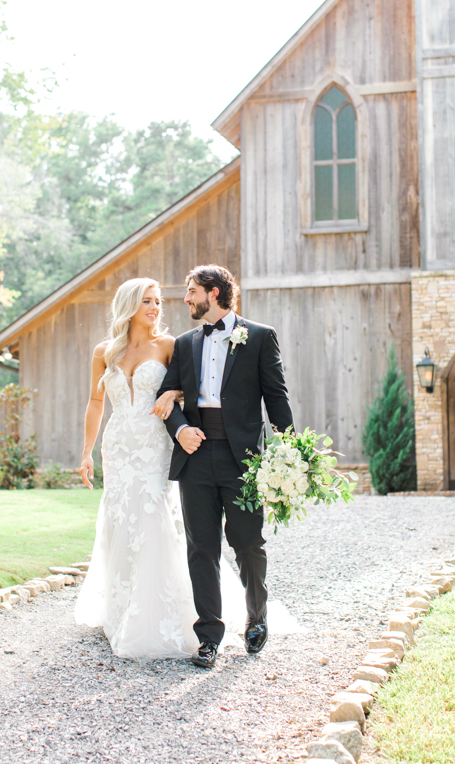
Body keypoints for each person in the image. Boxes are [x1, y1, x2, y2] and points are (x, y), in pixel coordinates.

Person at [75, 277, 245, 660]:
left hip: (154, 446)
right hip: (118, 447)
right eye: (147, 301)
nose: (155, 308)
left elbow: (194, 387)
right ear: (129, 305)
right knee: (121, 519)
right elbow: (94, 402)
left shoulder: (170, 345)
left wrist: (172, 392)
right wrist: (87, 452)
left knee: (153, 517)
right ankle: (122, 609)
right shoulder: (104, 351)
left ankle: (164, 614)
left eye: (158, 302)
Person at [153, 264, 294, 669]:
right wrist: (180, 430)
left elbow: (277, 398)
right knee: (201, 549)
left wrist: (290, 450)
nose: (186, 299)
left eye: (191, 290)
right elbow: (166, 396)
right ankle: (209, 636)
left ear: (213, 293)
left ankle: (256, 618)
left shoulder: (260, 337)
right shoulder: (184, 344)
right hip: (195, 458)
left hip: (244, 459)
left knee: (248, 543)